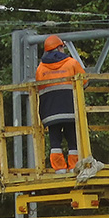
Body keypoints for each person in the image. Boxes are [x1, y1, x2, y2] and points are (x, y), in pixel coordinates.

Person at [34, 34, 85, 172]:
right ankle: (74, 167)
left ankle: (60, 169)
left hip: (50, 113)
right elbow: (84, 81)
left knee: (55, 142)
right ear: (59, 47)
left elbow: (39, 87)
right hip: (70, 109)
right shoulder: (71, 63)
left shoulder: (40, 68)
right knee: (73, 140)